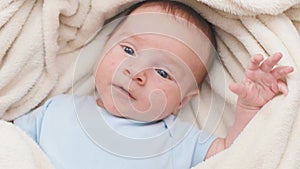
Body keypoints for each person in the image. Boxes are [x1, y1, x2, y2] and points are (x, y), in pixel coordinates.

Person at [14, 1, 294, 169]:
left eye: (162, 72)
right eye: (128, 51)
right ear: (104, 48)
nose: (137, 73)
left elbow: (234, 154)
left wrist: (248, 107)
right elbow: (13, 142)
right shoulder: (56, 109)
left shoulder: (179, 139)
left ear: (183, 100)